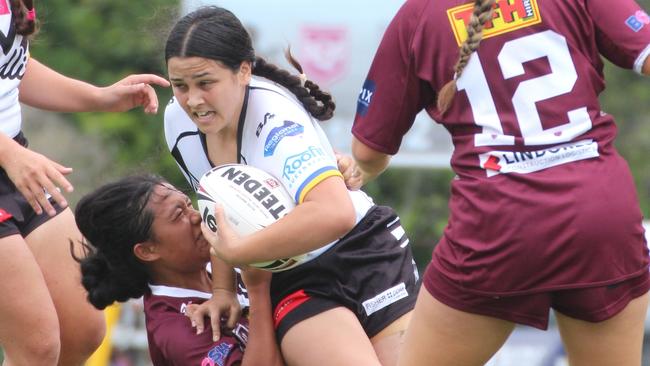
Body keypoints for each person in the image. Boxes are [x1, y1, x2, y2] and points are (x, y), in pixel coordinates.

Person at [349, 0, 650, 365]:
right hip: (599, 214)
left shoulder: (419, 14)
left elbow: (368, 153)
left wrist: (359, 166)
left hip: (498, 227)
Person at [162, 6, 419, 366]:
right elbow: (217, 206)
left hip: (366, 251)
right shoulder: (177, 123)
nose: (193, 100)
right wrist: (222, 289)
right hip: (294, 276)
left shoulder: (274, 119)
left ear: (243, 71)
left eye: (206, 83)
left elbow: (335, 213)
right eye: (180, 85)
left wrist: (240, 254)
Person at [0, 1, 170, 365]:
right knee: (38, 345)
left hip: (15, 162)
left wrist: (99, 97)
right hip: (11, 159)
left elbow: (14, 67)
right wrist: (9, 155)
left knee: (83, 329)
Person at [73, 174, 284, 366]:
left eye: (189, 204)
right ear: (147, 250)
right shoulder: (175, 328)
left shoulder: (228, 253)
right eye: (178, 215)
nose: (197, 217)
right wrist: (257, 290)